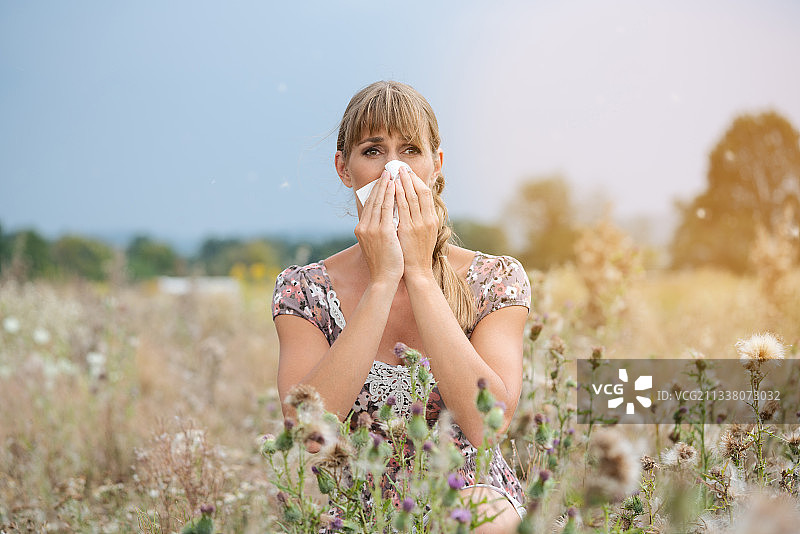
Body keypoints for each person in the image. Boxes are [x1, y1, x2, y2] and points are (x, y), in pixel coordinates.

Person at [271, 80, 531, 533]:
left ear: (436, 165)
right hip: (361, 514)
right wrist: (383, 281)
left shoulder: (495, 279)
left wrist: (421, 276)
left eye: (410, 150)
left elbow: (489, 424)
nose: (393, 170)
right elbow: (309, 430)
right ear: (343, 168)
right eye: (373, 151)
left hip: (472, 503)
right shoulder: (305, 290)